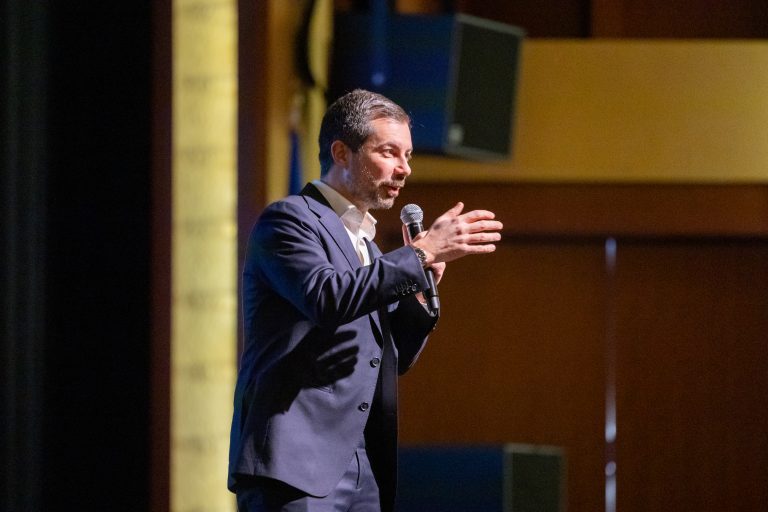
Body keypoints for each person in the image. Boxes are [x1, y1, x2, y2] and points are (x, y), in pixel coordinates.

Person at [228, 89, 503, 512]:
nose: (403, 169)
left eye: (408, 156)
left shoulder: (369, 248)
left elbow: (391, 358)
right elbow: (327, 297)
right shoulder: (290, 220)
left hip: (360, 465)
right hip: (295, 461)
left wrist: (419, 289)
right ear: (341, 152)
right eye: (390, 153)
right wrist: (420, 253)